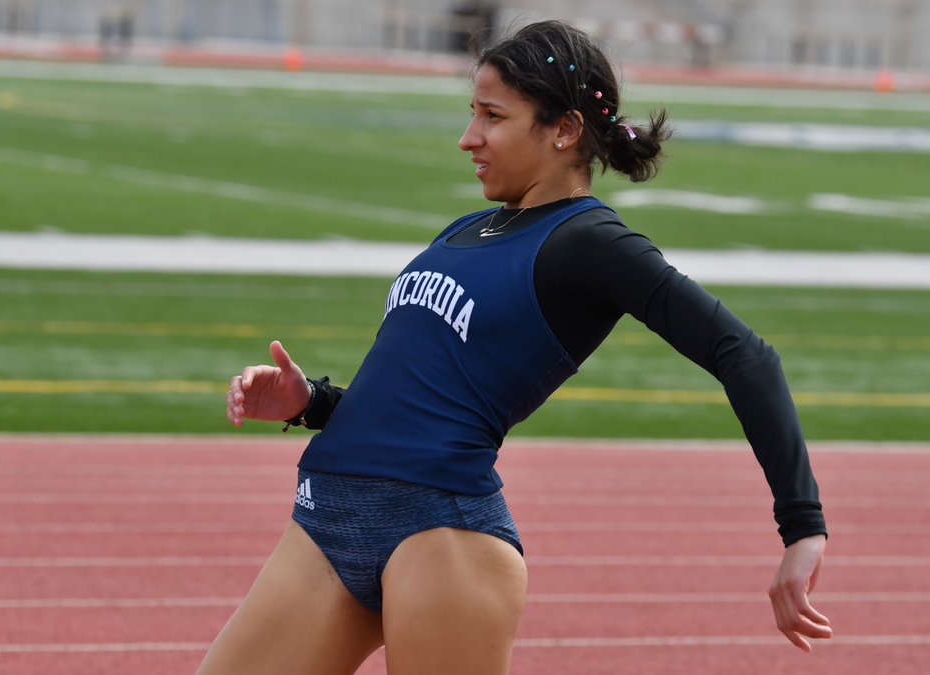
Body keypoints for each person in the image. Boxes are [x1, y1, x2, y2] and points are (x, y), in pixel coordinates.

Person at [205, 19, 831, 675]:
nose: (467, 137)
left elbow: (745, 353)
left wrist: (802, 525)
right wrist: (315, 401)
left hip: (440, 535)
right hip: (328, 517)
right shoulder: (467, 228)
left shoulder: (590, 241)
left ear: (562, 130)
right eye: (471, 113)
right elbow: (426, 393)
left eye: (492, 116)